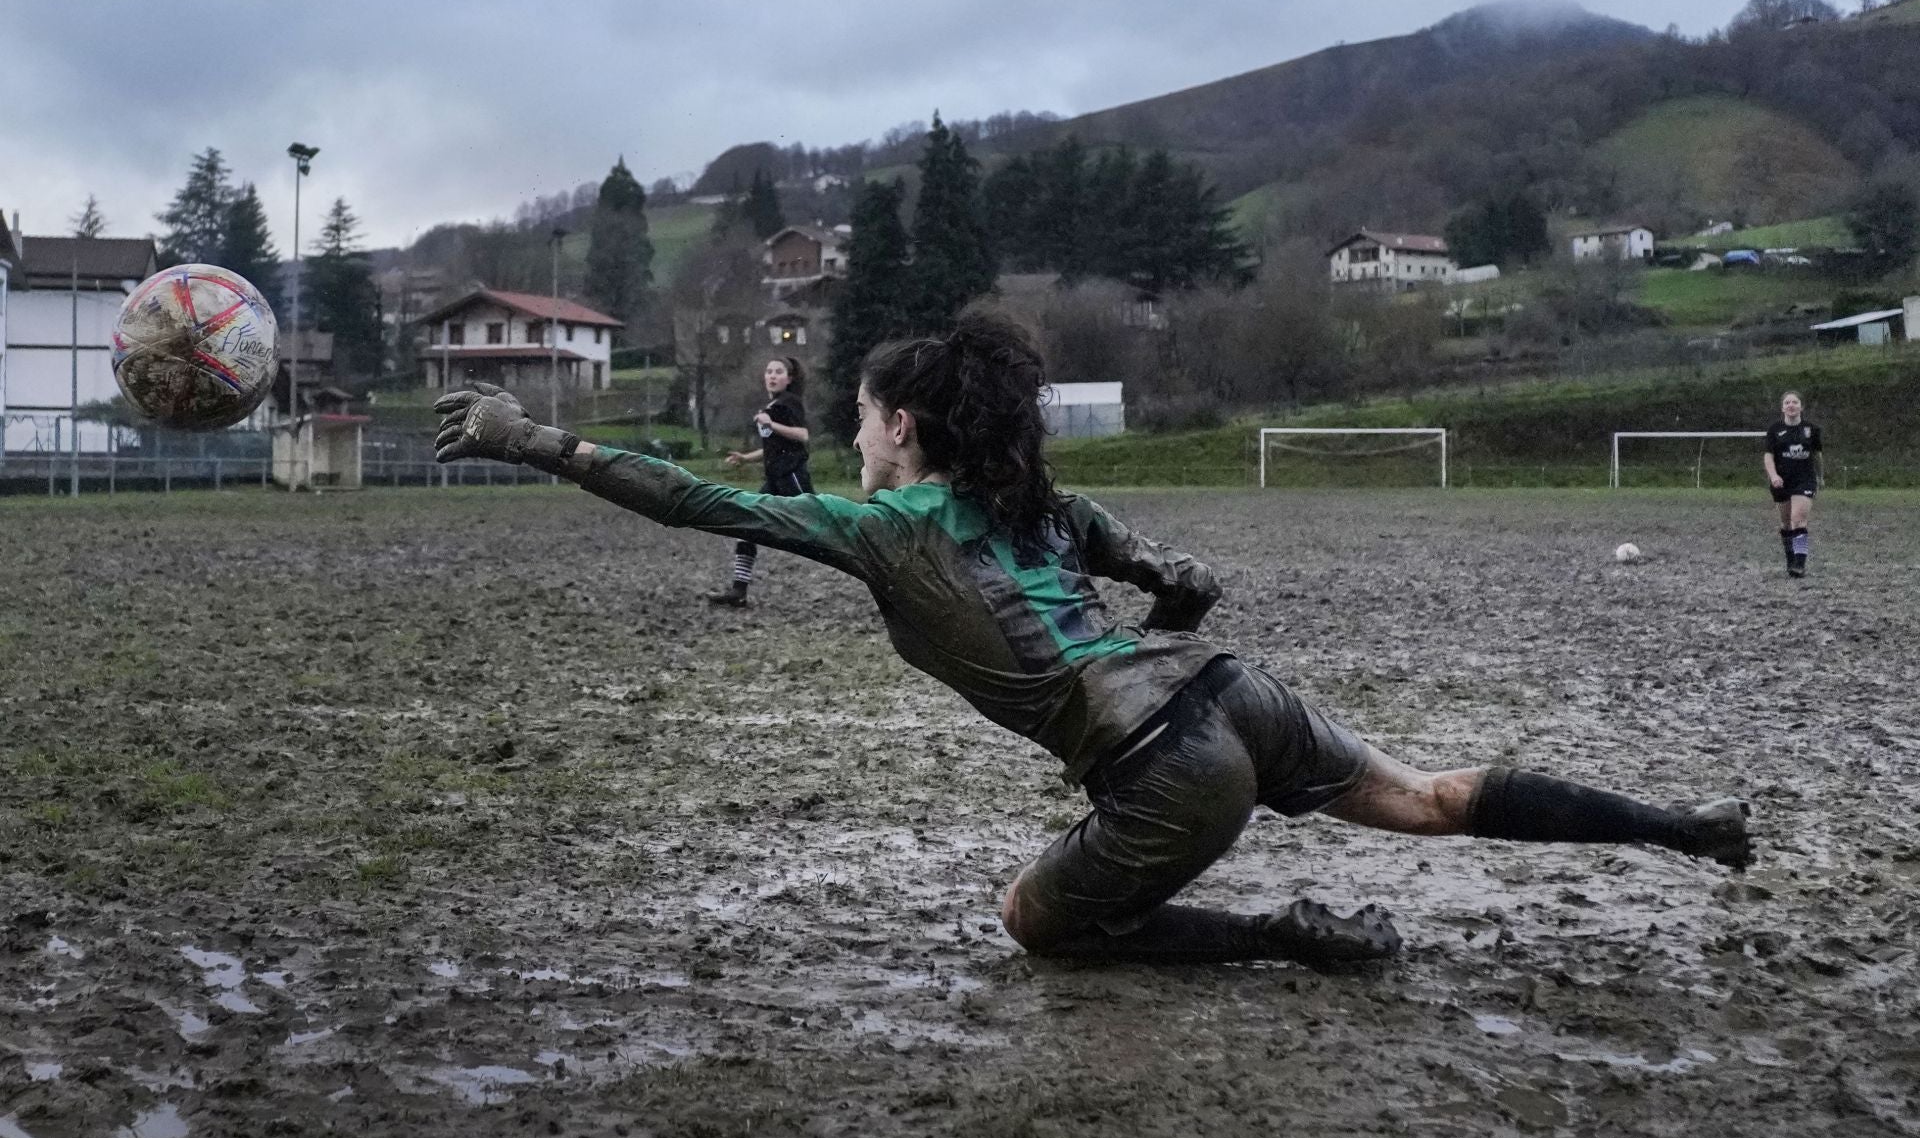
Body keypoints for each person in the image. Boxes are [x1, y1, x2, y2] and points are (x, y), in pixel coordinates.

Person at [432, 307, 1753, 970]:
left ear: (900, 428)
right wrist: (1159, 617)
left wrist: (533, 439)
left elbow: (697, 499)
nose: (851, 433)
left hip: (1163, 755)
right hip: (1237, 694)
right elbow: (1189, 586)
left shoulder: (886, 531)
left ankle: (1296, 933)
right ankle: (1685, 826)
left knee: (1035, 921)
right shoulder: (1053, 501)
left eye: (861, 415)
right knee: (1428, 796)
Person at [707, 356, 812, 606]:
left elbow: (803, 436)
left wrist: (771, 424)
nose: (772, 376)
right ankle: (738, 592)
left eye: (778, 372)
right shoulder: (773, 405)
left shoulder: (789, 402)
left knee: (817, 532)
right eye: (769, 371)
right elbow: (773, 449)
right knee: (747, 527)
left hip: (792, 477)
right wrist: (745, 458)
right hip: (774, 481)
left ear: (789, 378)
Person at [1763, 391, 1822, 578]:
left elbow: (1818, 455)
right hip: (1782, 481)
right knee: (1786, 522)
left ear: (1801, 407)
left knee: (1798, 519)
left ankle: (1799, 563)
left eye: (1795, 402)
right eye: (1787, 402)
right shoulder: (1774, 430)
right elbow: (1768, 456)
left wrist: (1820, 476)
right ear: (1782, 408)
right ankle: (1790, 559)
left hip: (1805, 479)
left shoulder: (1811, 430)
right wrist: (1773, 476)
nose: (1791, 405)